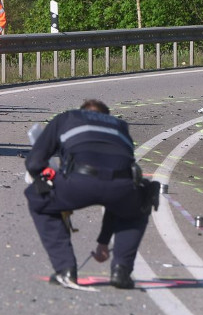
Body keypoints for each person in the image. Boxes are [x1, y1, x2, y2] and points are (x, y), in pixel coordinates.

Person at [25, 99, 158, 290]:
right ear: (106, 116)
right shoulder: (120, 127)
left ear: (83, 111)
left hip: (78, 182)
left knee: (38, 198)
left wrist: (42, 180)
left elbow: (35, 161)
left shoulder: (67, 118)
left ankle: (65, 269)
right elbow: (113, 191)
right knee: (137, 207)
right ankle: (121, 270)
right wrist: (103, 242)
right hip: (121, 186)